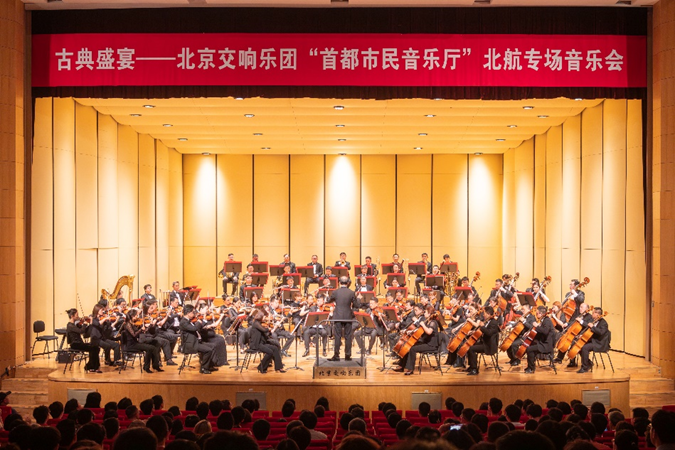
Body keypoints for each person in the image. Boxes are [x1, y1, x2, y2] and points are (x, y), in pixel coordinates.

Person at [394, 305, 440, 375]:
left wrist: (423, 325)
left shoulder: (433, 322)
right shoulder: (427, 321)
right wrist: (411, 331)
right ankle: (402, 366)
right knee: (408, 345)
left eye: (426, 312)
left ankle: (410, 369)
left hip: (431, 345)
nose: (424, 314)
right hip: (425, 342)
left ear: (429, 314)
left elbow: (429, 332)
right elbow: (419, 329)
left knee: (412, 349)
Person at [327, 276, 359, 361]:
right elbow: (356, 305)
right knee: (348, 336)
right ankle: (347, 356)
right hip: (348, 316)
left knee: (337, 336)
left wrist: (327, 297)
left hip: (338, 316)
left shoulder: (335, 292)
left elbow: (329, 301)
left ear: (339, 283)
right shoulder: (351, 292)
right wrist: (358, 299)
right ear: (348, 283)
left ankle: (336, 356)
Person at [122, 308, 163, 373]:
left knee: (155, 343)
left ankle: (156, 365)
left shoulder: (132, 323)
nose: (137, 317)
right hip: (131, 345)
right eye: (136, 315)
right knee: (150, 348)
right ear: (132, 316)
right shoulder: (127, 324)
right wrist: (140, 329)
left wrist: (150, 325)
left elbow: (143, 332)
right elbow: (134, 335)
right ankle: (146, 367)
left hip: (135, 343)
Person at [179, 305, 215, 374]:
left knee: (212, 346)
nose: (194, 314)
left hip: (196, 341)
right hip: (190, 344)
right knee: (208, 350)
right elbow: (194, 328)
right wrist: (198, 322)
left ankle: (209, 366)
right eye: (193, 312)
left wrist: (204, 321)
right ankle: (204, 368)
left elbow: (198, 328)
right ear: (188, 313)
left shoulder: (189, 320)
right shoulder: (183, 322)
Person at [466, 306, 499, 376]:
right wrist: (473, 332)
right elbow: (483, 331)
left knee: (472, 349)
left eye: (484, 313)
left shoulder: (493, 322)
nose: (483, 315)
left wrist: (482, 326)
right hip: (485, 343)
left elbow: (489, 333)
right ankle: (471, 366)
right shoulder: (487, 321)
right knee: (470, 345)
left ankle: (474, 369)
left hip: (489, 346)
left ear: (488, 314)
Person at [65, 308, 101, 373]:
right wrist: (84, 324)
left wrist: (88, 324)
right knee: (93, 348)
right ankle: (91, 367)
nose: (78, 316)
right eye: (77, 315)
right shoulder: (70, 325)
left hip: (79, 343)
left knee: (96, 347)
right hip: (75, 344)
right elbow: (81, 331)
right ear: (72, 316)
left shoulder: (74, 325)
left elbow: (84, 331)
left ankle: (91, 366)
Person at [578, 307, 610, 374]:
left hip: (599, 343)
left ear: (597, 314)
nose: (591, 314)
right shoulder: (594, 321)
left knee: (585, 348)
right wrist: (582, 336)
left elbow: (600, 332)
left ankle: (585, 367)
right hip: (594, 341)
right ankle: (588, 363)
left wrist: (592, 327)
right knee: (579, 346)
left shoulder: (604, 323)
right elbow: (590, 332)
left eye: (593, 313)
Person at [524, 306, 554, 374]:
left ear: (541, 314)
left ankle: (531, 368)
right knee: (530, 345)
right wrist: (530, 333)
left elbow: (545, 332)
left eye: (537, 313)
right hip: (543, 342)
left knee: (529, 349)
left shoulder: (547, 321)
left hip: (546, 345)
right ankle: (531, 367)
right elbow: (540, 332)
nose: (536, 315)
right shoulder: (543, 320)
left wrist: (537, 326)